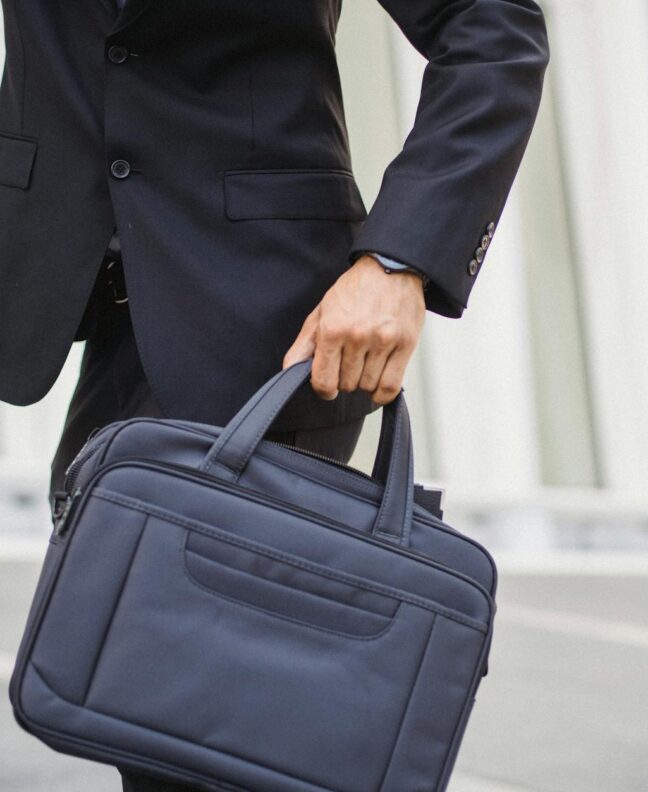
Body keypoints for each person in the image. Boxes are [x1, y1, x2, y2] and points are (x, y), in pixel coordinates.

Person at [0, 0, 549, 789]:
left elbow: (491, 27)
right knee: (136, 699)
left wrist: (401, 260)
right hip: (78, 290)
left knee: (202, 710)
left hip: (265, 312)